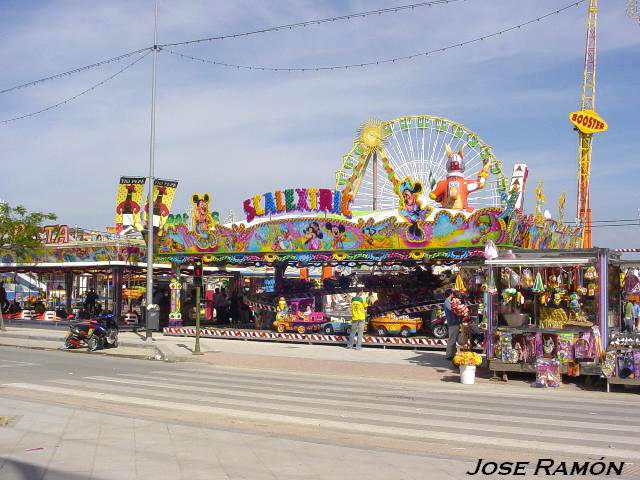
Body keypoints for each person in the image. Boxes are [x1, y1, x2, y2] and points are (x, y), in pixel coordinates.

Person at [444, 289, 460, 361]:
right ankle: (449, 355)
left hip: (455, 322)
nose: (453, 294)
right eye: (452, 293)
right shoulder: (447, 301)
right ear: (450, 294)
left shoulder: (450, 301)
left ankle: (452, 354)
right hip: (452, 323)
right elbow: (452, 309)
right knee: (452, 339)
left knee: (453, 339)